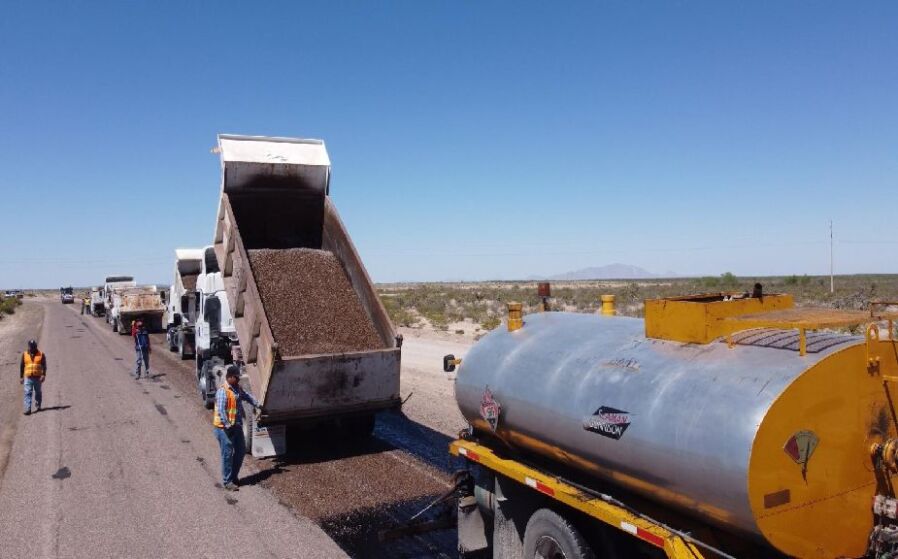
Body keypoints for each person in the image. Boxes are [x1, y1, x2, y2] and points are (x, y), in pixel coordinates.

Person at [213, 365, 259, 491]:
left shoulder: (237, 388)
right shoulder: (222, 391)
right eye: (236, 377)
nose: (239, 380)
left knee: (241, 451)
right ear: (230, 377)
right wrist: (227, 425)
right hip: (224, 429)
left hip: (236, 426)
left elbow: (246, 396)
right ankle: (227, 481)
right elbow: (221, 411)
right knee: (227, 454)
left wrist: (257, 404)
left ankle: (233, 477)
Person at [20, 339, 47, 415]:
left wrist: (43, 375)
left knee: (38, 392)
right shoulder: (24, 354)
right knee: (27, 393)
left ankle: (38, 405)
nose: (32, 348)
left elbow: (44, 366)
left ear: (36, 346)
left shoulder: (41, 354)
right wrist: (21, 377)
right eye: (31, 347)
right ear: (29, 347)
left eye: (34, 347)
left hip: (38, 378)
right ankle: (28, 409)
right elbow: (22, 366)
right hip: (28, 377)